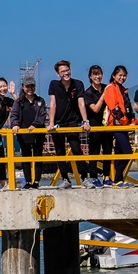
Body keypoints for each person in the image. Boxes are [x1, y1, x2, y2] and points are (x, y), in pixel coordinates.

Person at [47, 60, 93, 188]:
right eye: (62, 71)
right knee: (59, 151)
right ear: (58, 74)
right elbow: (53, 103)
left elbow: (81, 103)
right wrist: (51, 123)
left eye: (67, 70)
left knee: (76, 148)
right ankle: (65, 179)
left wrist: (85, 121)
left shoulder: (77, 84)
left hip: (72, 121)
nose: (66, 73)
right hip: (58, 122)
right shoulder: (54, 84)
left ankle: (84, 178)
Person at [9, 77, 48, 189]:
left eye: (32, 86)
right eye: (27, 86)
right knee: (26, 157)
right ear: (23, 87)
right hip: (24, 134)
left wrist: (35, 125)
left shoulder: (40, 100)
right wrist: (15, 124)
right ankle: (28, 181)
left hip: (38, 133)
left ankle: (36, 181)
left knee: (38, 156)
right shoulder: (19, 101)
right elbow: (14, 114)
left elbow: (42, 115)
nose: (30, 89)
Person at [103, 65, 137, 186]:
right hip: (116, 125)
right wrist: (125, 122)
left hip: (123, 125)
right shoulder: (111, 88)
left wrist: (133, 121)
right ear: (114, 76)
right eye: (120, 75)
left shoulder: (123, 90)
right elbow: (114, 108)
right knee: (127, 152)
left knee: (119, 152)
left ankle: (118, 180)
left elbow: (128, 108)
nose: (122, 77)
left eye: (124, 75)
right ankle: (117, 178)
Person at [84, 65, 111, 185]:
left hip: (107, 124)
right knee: (94, 152)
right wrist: (104, 95)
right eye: (95, 74)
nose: (97, 77)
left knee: (107, 151)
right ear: (90, 76)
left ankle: (107, 176)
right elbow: (95, 109)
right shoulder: (88, 93)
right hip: (94, 125)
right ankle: (94, 177)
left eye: (99, 74)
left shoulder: (106, 87)